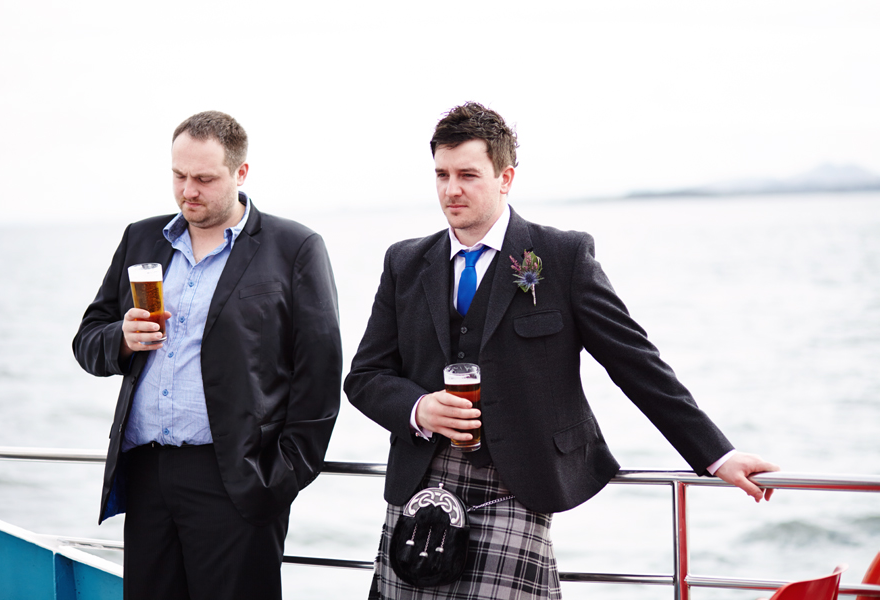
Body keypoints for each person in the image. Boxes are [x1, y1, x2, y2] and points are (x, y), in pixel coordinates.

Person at [344, 102, 778, 599]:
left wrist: (717, 455)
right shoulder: (404, 261)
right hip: (421, 487)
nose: (451, 190)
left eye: (468, 174)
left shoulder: (561, 256)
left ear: (505, 177)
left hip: (516, 486)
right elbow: (366, 377)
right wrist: (419, 408)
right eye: (441, 174)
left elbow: (634, 362)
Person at [73, 111, 342, 599]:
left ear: (240, 174)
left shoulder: (295, 247)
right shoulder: (141, 237)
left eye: (204, 179)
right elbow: (87, 341)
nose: (187, 191)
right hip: (148, 477)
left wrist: (277, 480)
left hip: (239, 480)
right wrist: (122, 339)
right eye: (178, 176)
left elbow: (319, 376)